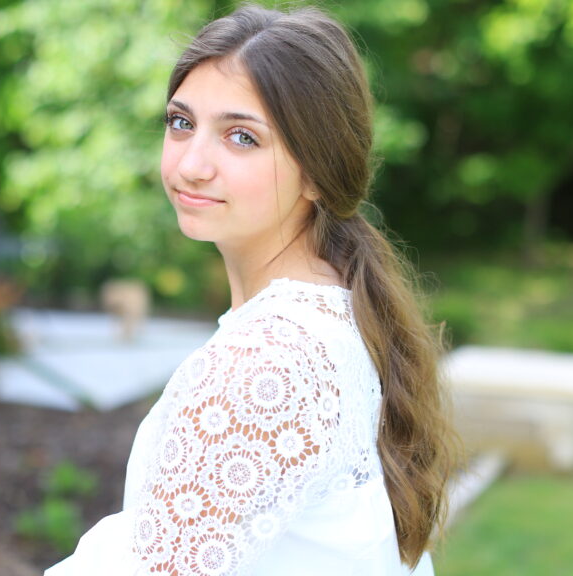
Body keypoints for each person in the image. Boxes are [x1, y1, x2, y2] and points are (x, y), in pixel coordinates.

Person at [45, 4, 458, 575]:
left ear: (316, 171)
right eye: (181, 122)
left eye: (241, 137)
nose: (191, 164)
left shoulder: (263, 366)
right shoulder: (334, 313)